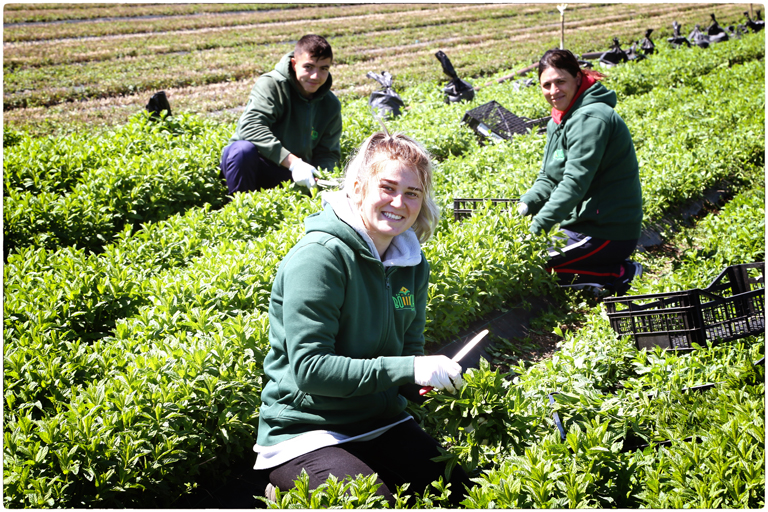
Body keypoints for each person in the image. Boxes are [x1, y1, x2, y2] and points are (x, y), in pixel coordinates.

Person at [253, 132, 474, 507]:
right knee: (374, 505)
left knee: (461, 491)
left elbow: (409, 351)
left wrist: (445, 388)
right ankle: (285, 492)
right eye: (387, 187)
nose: (398, 202)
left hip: (381, 419)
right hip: (308, 430)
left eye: (412, 193)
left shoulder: (411, 263)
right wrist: (411, 367)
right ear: (356, 187)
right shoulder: (320, 257)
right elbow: (311, 370)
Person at [517, 48, 644, 296]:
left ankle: (619, 273)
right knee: (528, 263)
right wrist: (523, 207)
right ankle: (602, 271)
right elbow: (548, 178)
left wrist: (537, 228)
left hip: (606, 230)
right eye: (547, 85)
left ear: (577, 77)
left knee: (531, 265)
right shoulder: (560, 119)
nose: (554, 91)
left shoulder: (590, 118)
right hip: (582, 226)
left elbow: (574, 183)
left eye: (560, 81)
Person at [220, 34, 342, 194]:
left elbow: (328, 153)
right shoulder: (272, 85)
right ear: (294, 64)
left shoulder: (330, 104)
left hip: (292, 174)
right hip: (257, 164)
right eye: (308, 67)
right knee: (242, 151)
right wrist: (294, 163)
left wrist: (326, 181)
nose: (315, 76)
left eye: (323, 69)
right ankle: (239, 207)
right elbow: (250, 127)